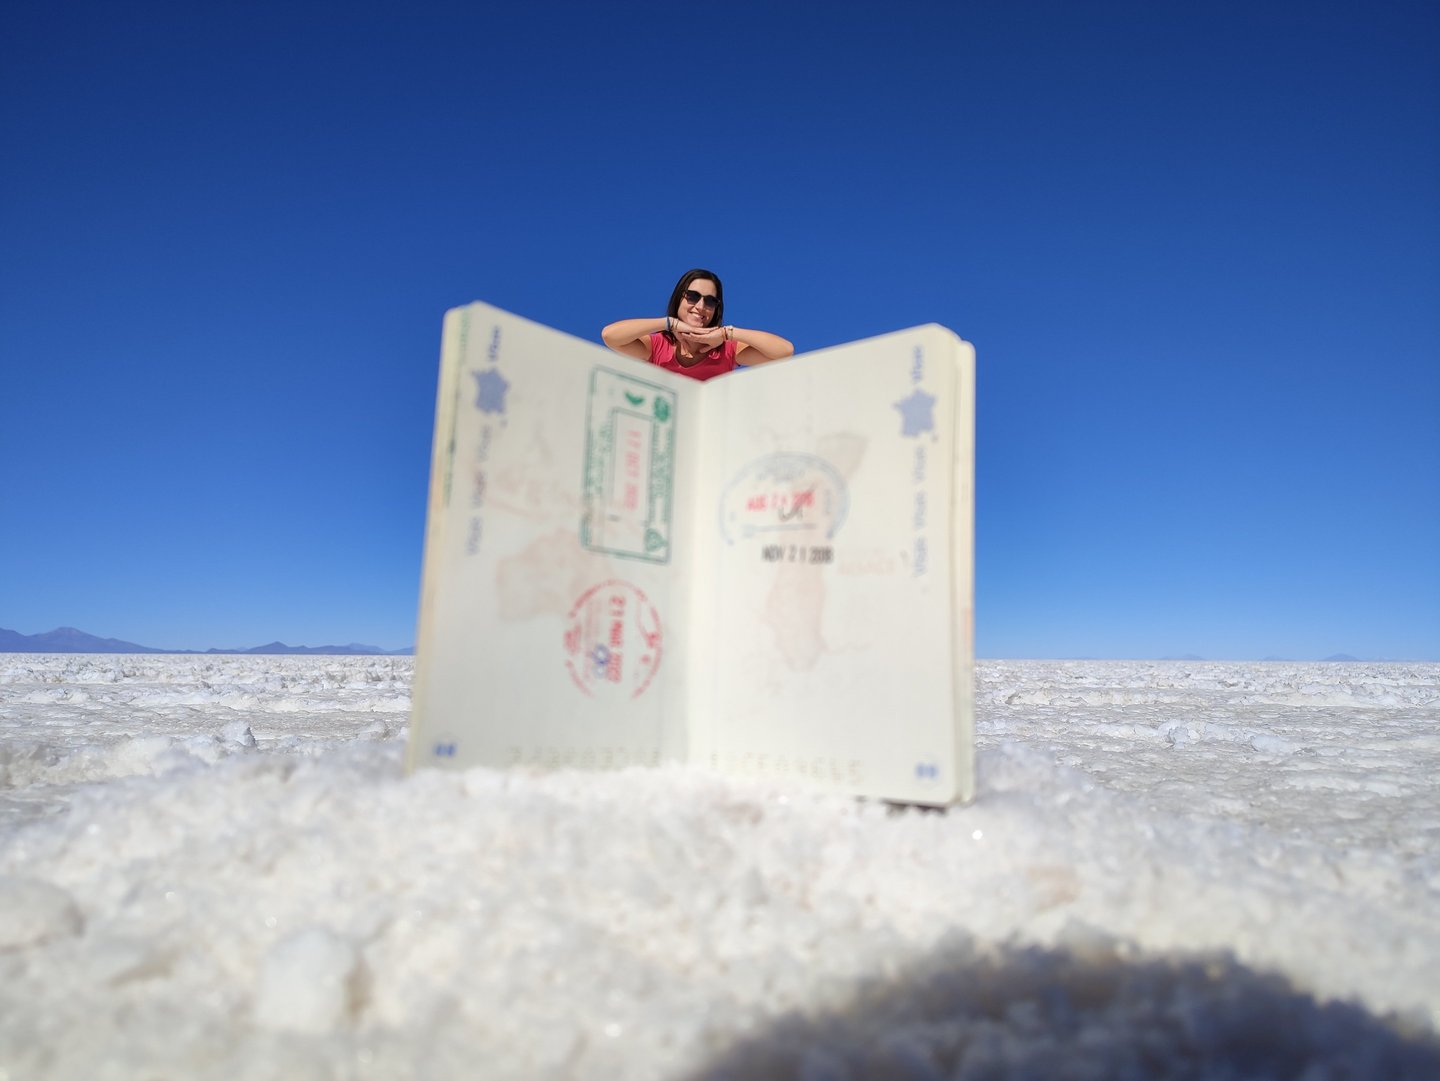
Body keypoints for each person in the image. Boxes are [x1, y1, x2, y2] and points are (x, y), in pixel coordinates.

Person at [601, 269, 794, 381]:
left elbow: (784, 351)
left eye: (710, 301)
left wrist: (727, 333)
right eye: (692, 296)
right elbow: (610, 336)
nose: (700, 306)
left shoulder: (727, 350)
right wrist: (668, 323)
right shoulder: (657, 346)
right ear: (679, 298)